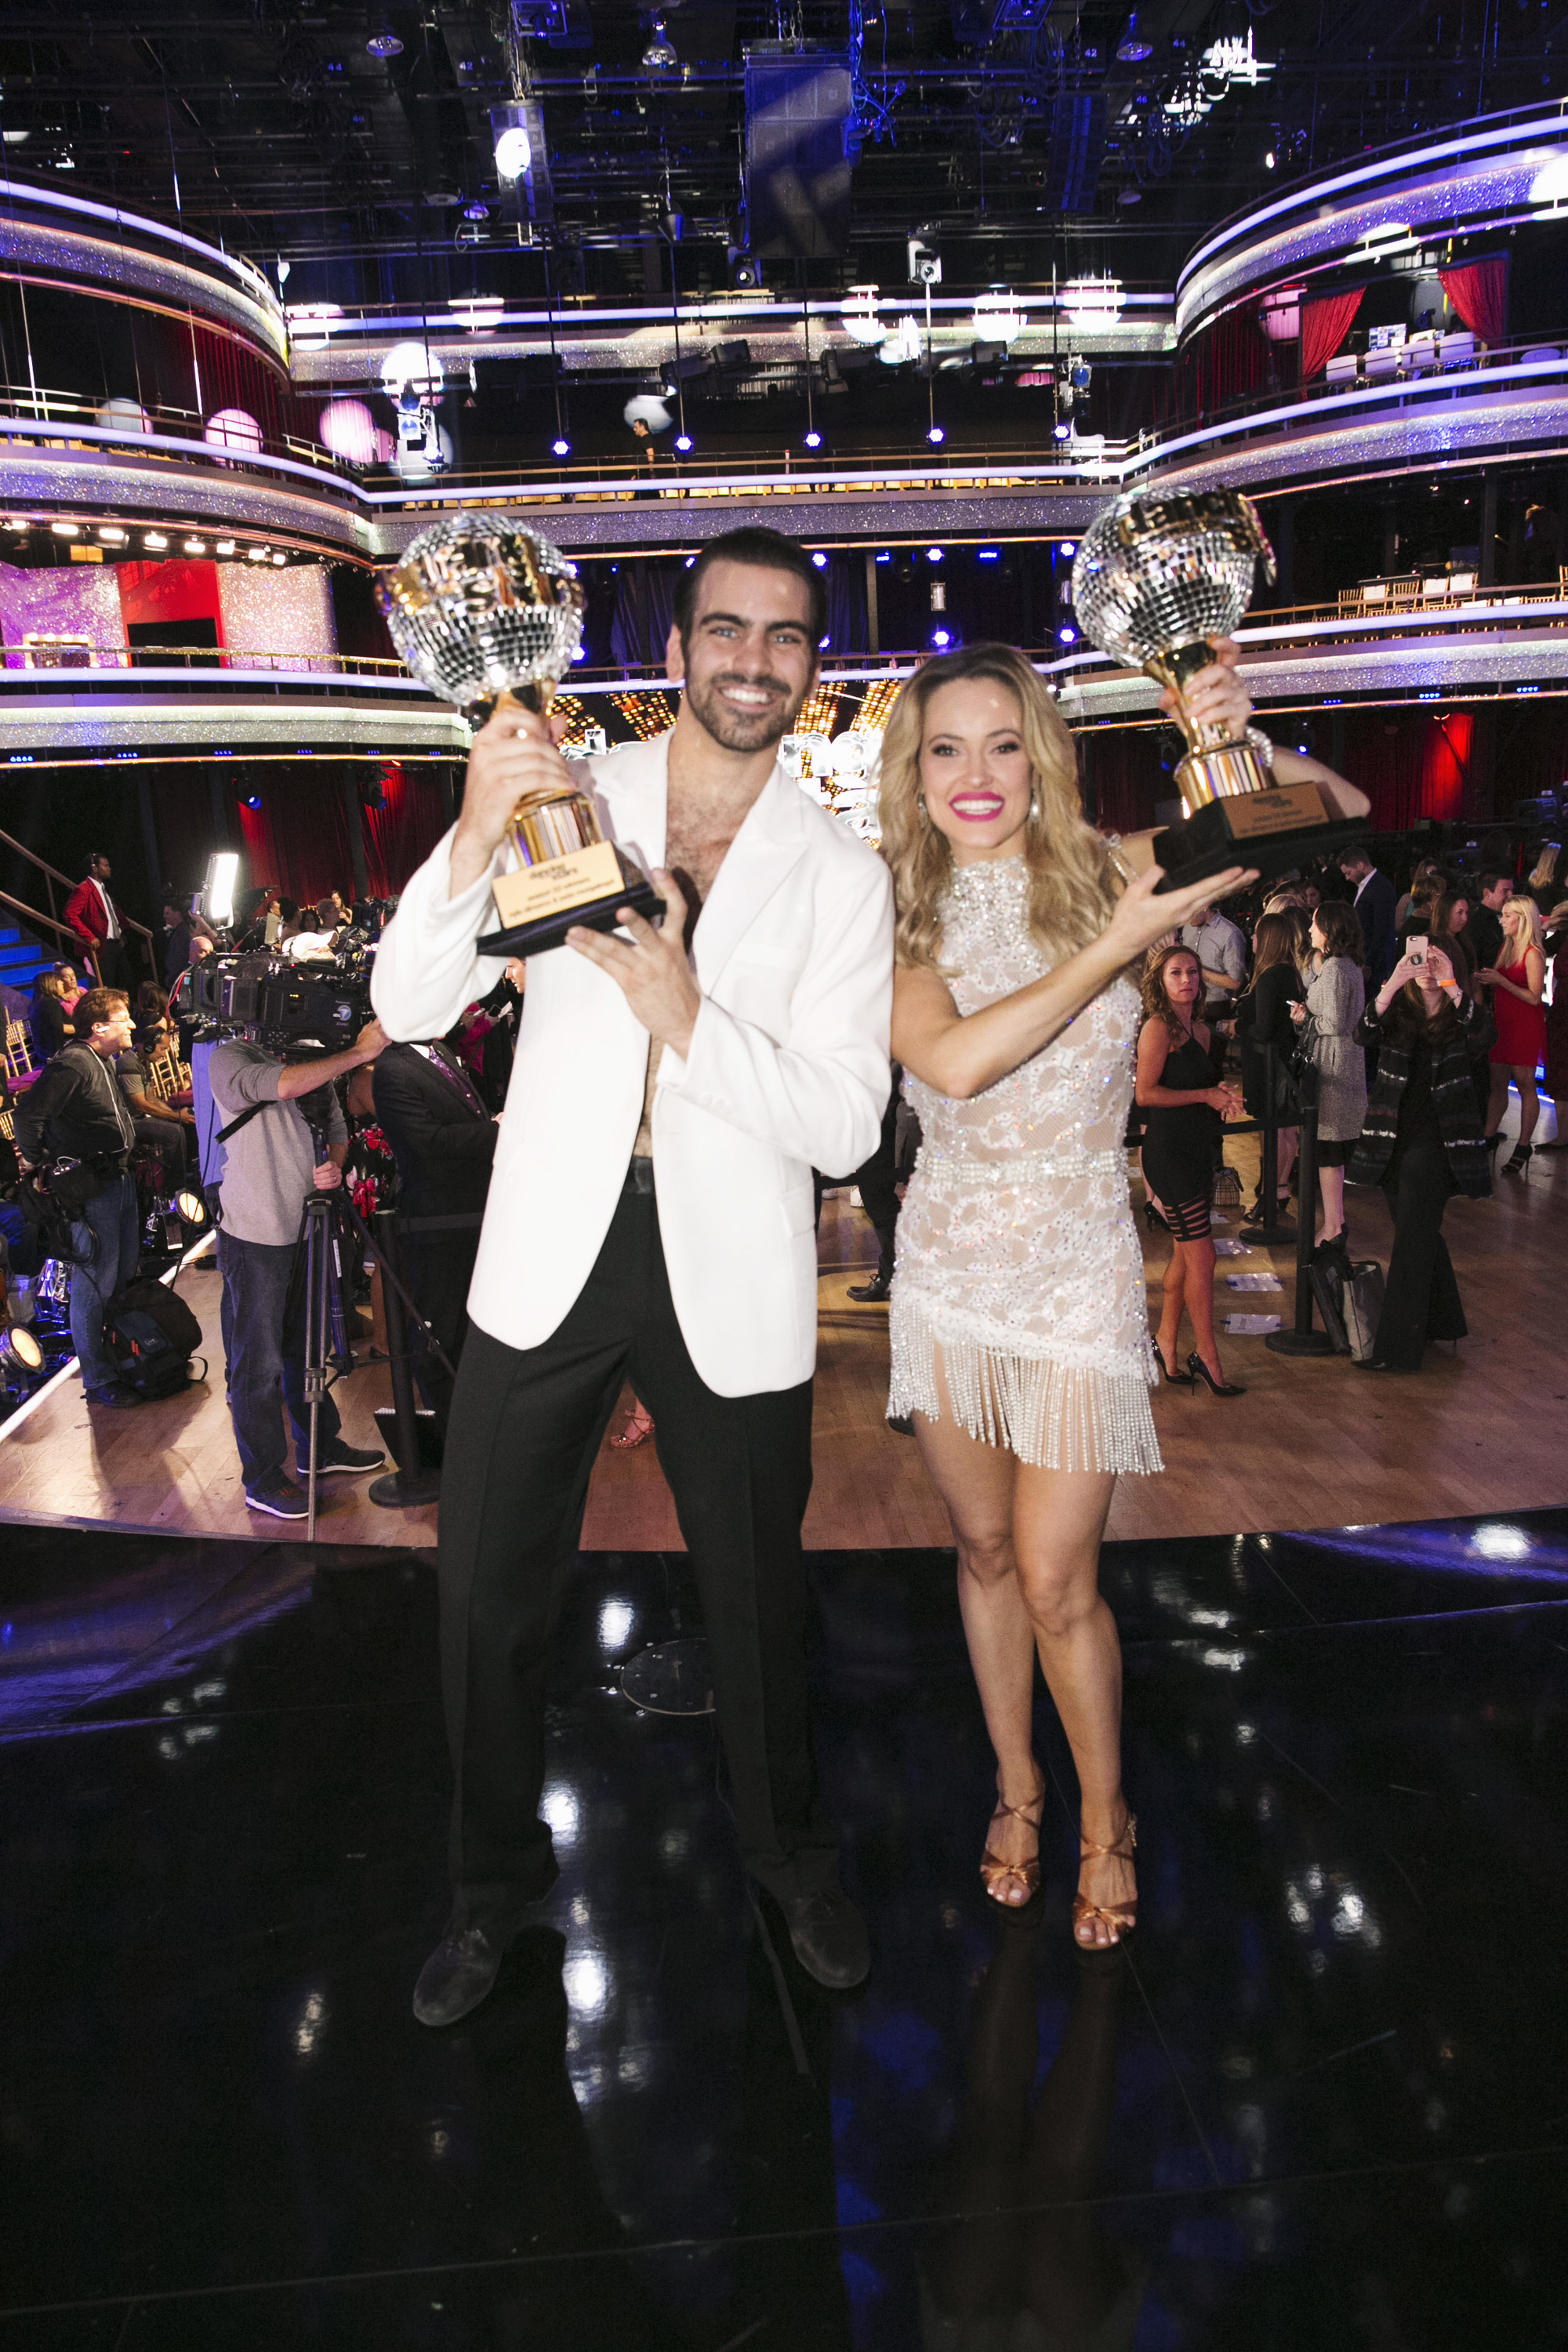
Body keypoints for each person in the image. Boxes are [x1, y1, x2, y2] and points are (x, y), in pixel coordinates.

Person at [372, 524, 895, 2025]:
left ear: (812, 667)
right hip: (555, 1246)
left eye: (785, 637)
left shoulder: (840, 873)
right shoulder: (567, 794)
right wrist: (474, 832)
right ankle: (489, 1889)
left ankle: (789, 1861)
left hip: (728, 1261)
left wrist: (685, 1011)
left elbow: (848, 1122)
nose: (752, 661)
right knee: (483, 1599)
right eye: (723, 631)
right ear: (670, 656)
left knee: (756, 1600)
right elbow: (411, 1000)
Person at [879, 642, 1357, 1945]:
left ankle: (1106, 1818)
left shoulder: (1123, 869)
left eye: (1001, 743)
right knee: (981, 1554)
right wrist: (1126, 945)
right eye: (945, 748)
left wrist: (1240, 739)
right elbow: (954, 1061)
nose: (977, 775)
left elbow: (1343, 812)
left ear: (1043, 751)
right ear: (913, 777)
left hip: (1079, 1264)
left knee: (1053, 1576)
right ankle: (1017, 1791)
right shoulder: (898, 915)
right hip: (952, 1270)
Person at [208, 1019, 389, 1518]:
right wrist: (360, 1052)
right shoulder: (230, 1058)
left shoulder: (310, 1054)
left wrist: (332, 1165)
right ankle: (262, 1477)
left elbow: (333, 1123)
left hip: (309, 1225)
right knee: (257, 1362)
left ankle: (319, 1448)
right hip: (256, 1233)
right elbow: (285, 1084)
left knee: (304, 1350)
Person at [1348, 941, 1494, 1371]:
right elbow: (1362, 1033)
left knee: (1411, 1239)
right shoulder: (1399, 1010)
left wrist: (1452, 986)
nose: (1427, 967)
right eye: (1421, 958)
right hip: (1390, 1140)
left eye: (1437, 959)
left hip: (1440, 1144)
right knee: (1417, 1229)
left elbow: (1487, 1036)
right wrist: (1392, 983)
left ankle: (1397, 1350)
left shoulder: (1463, 1014)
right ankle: (1443, 1320)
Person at [13, 987, 142, 1407]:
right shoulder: (73, 1063)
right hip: (90, 1191)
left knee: (120, 1273)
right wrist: (39, 1163)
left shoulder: (101, 1060)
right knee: (93, 1282)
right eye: (124, 1019)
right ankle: (99, 1378)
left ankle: (120, 1357)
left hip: (115, 1181)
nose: (132, 1026)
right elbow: (28, 1116)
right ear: (99, 1026)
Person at [371, 1029, 498, 1436]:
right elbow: (427, 1142)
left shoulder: (438, 1051)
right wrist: (499, 1130)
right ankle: (449, 1434)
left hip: (472, 1213)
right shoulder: (392, 1069)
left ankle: (474, 1425)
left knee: (470, 1325)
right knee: (439, 1331)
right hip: (437, 1220)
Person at [1136, 943, 1243, 1393]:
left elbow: (1195, 1086)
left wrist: (1218, 1092)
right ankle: (1208, 1356)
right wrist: (1204, 1096)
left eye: (1193, 972)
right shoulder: (1158, 1029)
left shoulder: (1198, 1030)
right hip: (1167, 1156)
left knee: (1186, 1254)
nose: (1187, 980)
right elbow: (1145, 1095)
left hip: (1198, 1151)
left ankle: (1164, 1340)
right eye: (1176, 973)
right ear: (1160, 982)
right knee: (1203, 1254)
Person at [1289, 898, 1367, 1261]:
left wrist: (1306, 1020)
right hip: (1341, 1061)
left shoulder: (1336, 968)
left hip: (1335, 1065)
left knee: (1329, 1147)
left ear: (1330, 929)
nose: (1309, 931)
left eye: (1315, 925)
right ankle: (1333, 1222)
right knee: (1329, 1148)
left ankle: (1333, 1225)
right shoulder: (1345, 966)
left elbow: (1334, 1023)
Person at [1236, 909, 1306, 1229]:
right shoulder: (1288, 972)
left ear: (1268, 939)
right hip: (1283, 1063)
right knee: (1285, 1129)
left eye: (1256, 933)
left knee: (1274, 1130)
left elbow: (1263, 1029)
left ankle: (1271, 1193)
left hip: (1268, 1065)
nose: (1252, 938)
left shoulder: (1268, 977)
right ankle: (1277, 1190)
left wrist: (1236, 1027)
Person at [1477, 895, 1548, 1175]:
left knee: (1525, 1083)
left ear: (1523, 919)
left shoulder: (1532, 952)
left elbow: (1534, 997)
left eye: (1508, 916)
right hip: (1504, 1025)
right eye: (1503, 915)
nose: (1502, 920)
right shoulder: (1506, 948)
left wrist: (1500, 981)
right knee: (1498, 1083)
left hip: (1524, 1026)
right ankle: (1488, 1135)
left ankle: (1523, 1144)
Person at [64, 851, 132, 992]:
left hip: (115, 944)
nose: (109, 868)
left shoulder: (103, 890)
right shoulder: (84, 889)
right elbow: (70, 914)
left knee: (126, 983)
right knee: (109, 987)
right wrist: (89, 936)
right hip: (102, 946)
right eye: (105, 865)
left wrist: (121, 933)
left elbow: (112, 913)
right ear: (94, 868)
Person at [1338, 846, 1399, 990]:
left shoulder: (1380, 888)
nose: (1347, 878)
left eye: (1348, 873)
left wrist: (1369, 963)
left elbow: (1381, 930)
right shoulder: (1367, 886)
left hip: (1378, 963)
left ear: (1360, 865)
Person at [1176, 899, 1247, 1021]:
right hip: (1188, 1003)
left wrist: (1198, 971)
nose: (1187, 918)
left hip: (1215, 1008)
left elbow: (1235, 982)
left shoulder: (1230, 934)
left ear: (1205, 906)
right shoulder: (1188, 928)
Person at [28, 964, 78, 1062]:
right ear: (52, 984)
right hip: (58, 1052)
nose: (62, 983)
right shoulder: (51, 1003)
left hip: (45, 1051)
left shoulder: (37, 1003)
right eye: (59, 981)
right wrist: (82, 1028)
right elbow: (59, 1028)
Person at [1467, 868, 1512, 972]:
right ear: (1487, 893)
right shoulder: (1475, 922)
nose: (1511, 896)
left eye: (1511, 890)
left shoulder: (1503, 916)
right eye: (1505, 891)